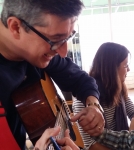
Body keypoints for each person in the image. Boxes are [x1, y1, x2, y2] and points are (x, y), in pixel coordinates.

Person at [0, 0, 104, 149]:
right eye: (55, 39)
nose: (63, 52)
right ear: (16, 27)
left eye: (68, 37)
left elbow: (80, 79)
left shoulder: (33, 54)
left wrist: (93, 104)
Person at [72, 42, 134, 149]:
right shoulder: (84, 99)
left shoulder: (118, 89)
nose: (128, 69)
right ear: (112, 69)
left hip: (118, 143)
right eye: (125, 65)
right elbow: (90, 145)